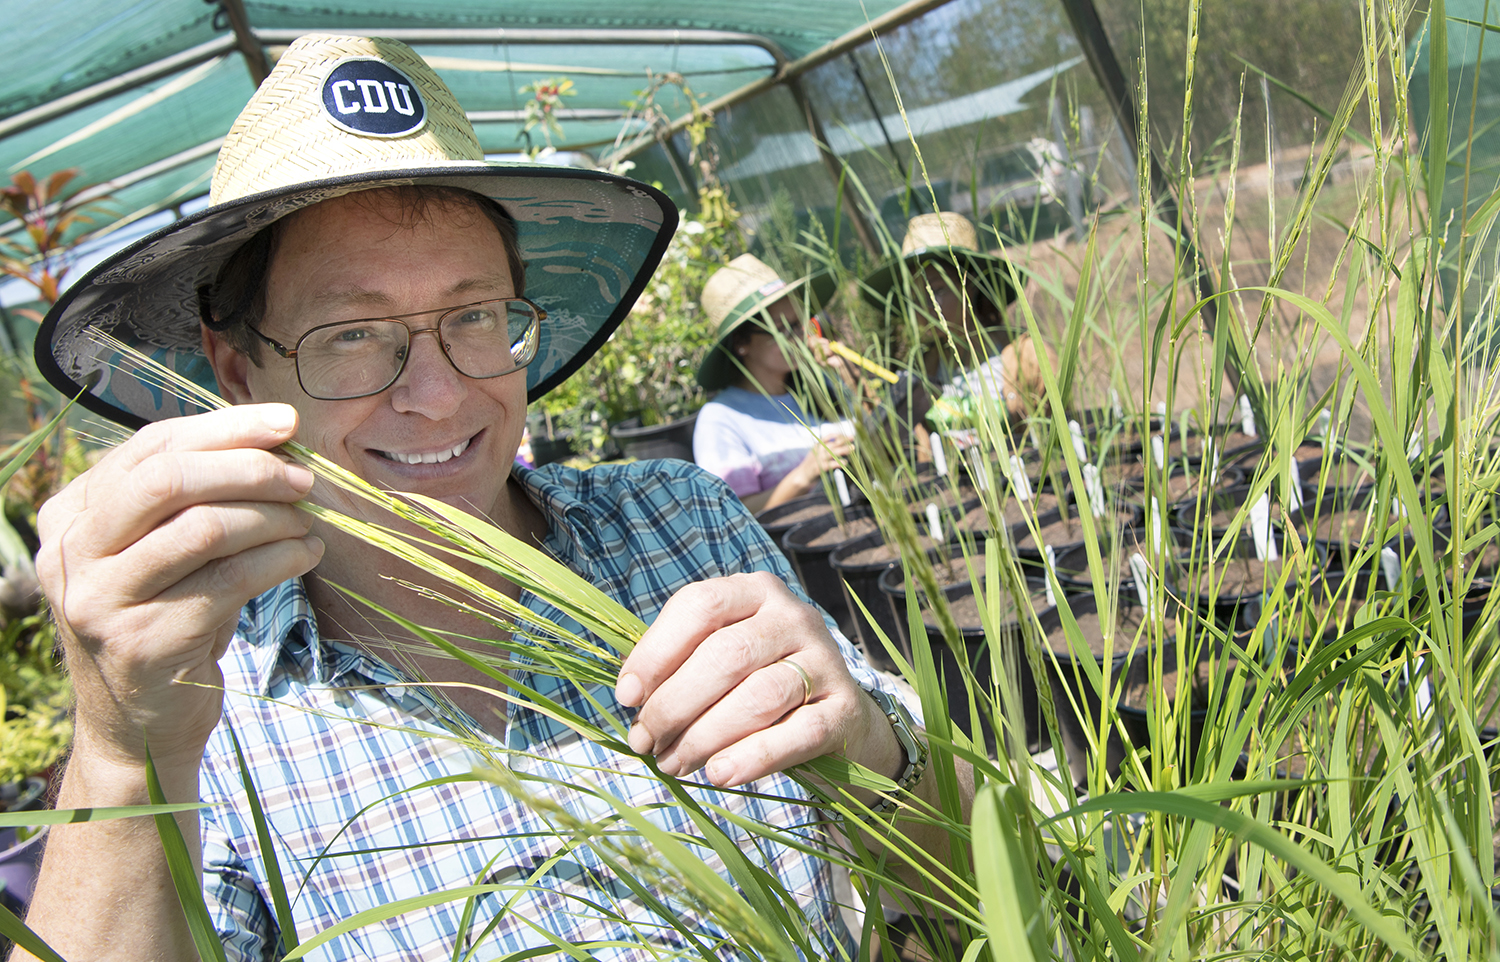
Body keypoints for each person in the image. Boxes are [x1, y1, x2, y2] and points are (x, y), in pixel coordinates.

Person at [23, 36, 971, 962]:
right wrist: (119, 748)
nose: (437, 395)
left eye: (474, 316)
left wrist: (875, 746)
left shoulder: (682, 524)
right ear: (238, 372)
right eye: (352, 335)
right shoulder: (211, 707)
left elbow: (957, 876)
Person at [862, 212, 1049, 446]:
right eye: (915, 296)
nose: (925, 306)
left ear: (969, 284)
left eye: (937, 290)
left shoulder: (1025, 355)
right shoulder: (922, 367)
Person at [692, 254, 855, 513]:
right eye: (781, 329)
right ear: (741, 343)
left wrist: (852, 379)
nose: (797, 338)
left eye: (800, 325)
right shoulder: (721, 419)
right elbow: (731, 513)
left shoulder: (821, 384)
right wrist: (805, 475)